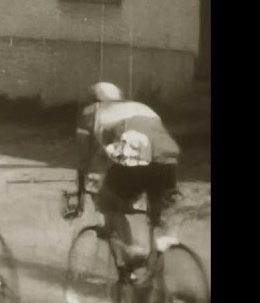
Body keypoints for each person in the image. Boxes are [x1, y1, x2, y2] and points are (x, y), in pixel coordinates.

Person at [68, 82, 182, 272]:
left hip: (137, 160)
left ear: (94, 99)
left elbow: (84, 159)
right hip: (167, 161)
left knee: (107, 202)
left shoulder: (90, 113)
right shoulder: (141, 108)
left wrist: (80, 191)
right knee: (156, 218)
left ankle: (132, 252)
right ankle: (157, 280)